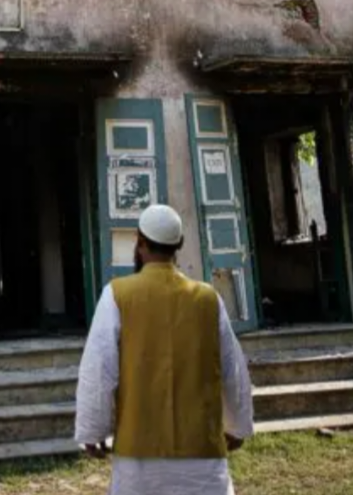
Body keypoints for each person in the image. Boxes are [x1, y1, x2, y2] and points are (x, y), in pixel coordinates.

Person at [75, 204, 254, 495]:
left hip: (138, 459)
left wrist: (92, 430)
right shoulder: (208, 299)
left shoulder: (116, 295)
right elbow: (232, 370)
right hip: (202, 457)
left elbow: (98, 371)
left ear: (140, 243)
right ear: (179, 246)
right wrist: (237, 425)